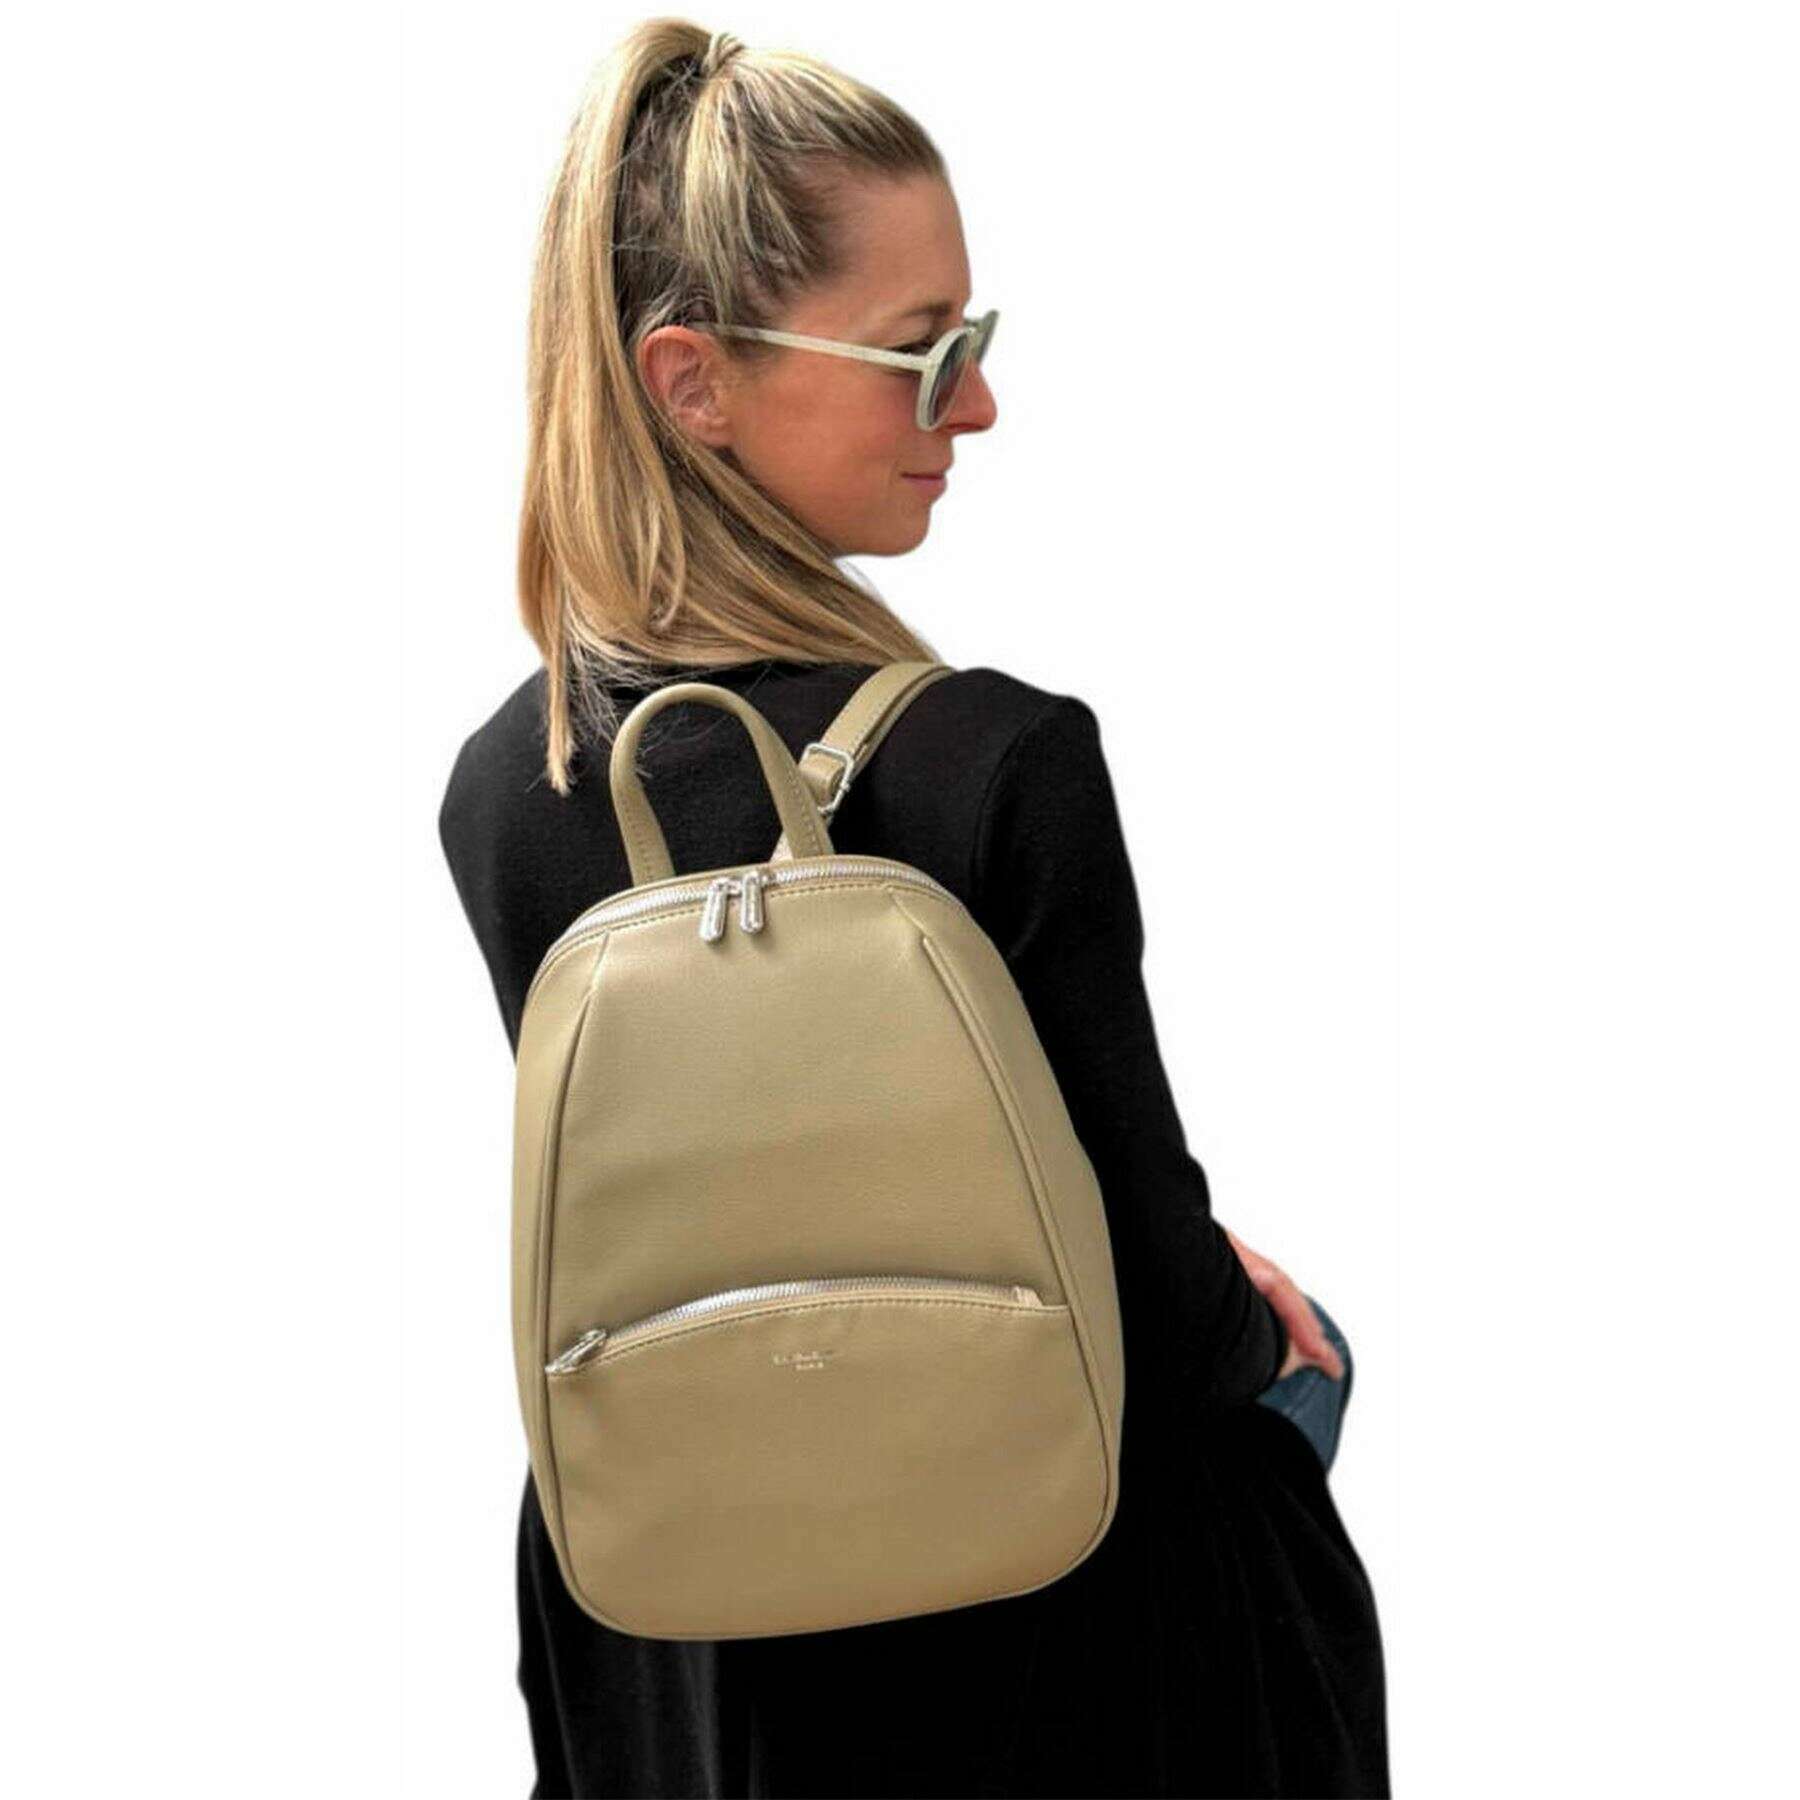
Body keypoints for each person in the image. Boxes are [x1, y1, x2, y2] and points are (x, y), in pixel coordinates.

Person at [437, 19, 1390, 1797]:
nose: (977, 407)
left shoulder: (511, 787)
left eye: (976, 343)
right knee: (1296, 1383)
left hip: (685, 1641)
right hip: (1048, 1640)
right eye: (922, 354)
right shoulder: (998, 763)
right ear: (691, 382)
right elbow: (1153, 1300)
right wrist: (1268, 1326)